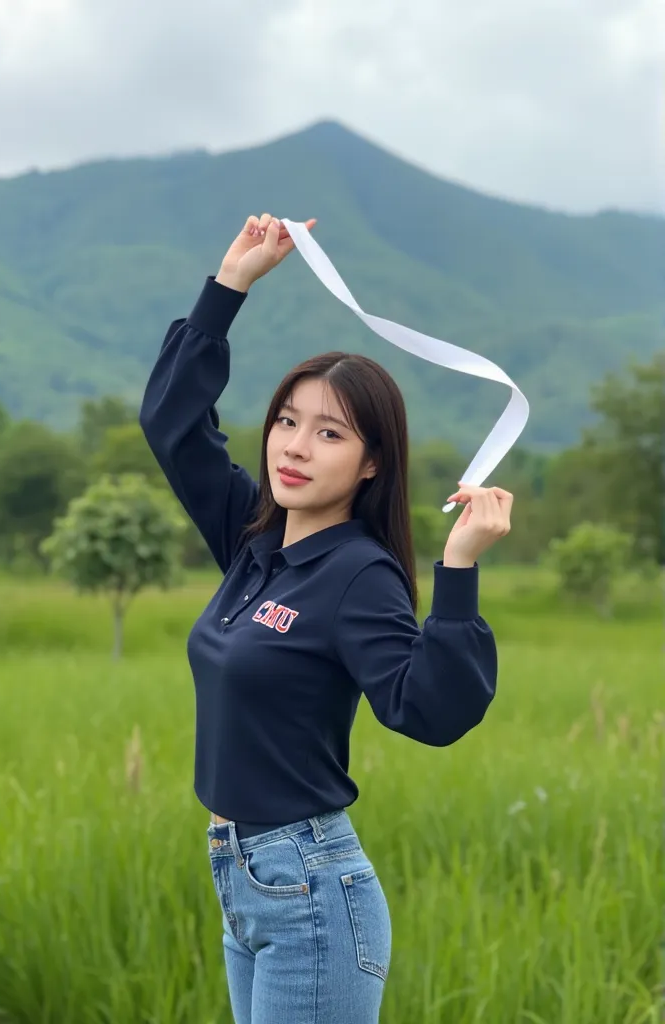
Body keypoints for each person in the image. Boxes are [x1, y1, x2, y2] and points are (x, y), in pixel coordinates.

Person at [139, 212, 513, 1024]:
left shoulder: (358, 574)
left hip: (308, 887)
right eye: (286, 420)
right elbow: (172, 427)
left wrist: (458, 570)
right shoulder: (253, 538)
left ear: (371, 461)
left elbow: (429, 710)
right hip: (243, 877)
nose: (295, 446)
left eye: (329, 432)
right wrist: (229, 285)